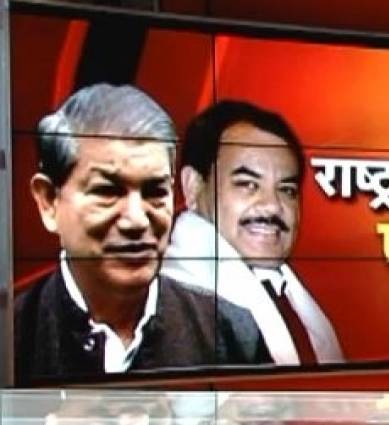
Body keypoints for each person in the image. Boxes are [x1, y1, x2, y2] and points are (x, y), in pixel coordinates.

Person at [15, 84, 271, 385]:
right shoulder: (13, 335)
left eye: (155, 192)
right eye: (107, 192)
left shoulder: (232, 333)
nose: (136, 220)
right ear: (48, 201)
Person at [162, 100, 343, 365]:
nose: (273, 206)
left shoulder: (282, 294)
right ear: (193, 187)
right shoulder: (170, 305)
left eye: (287, 190)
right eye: (248, 184)